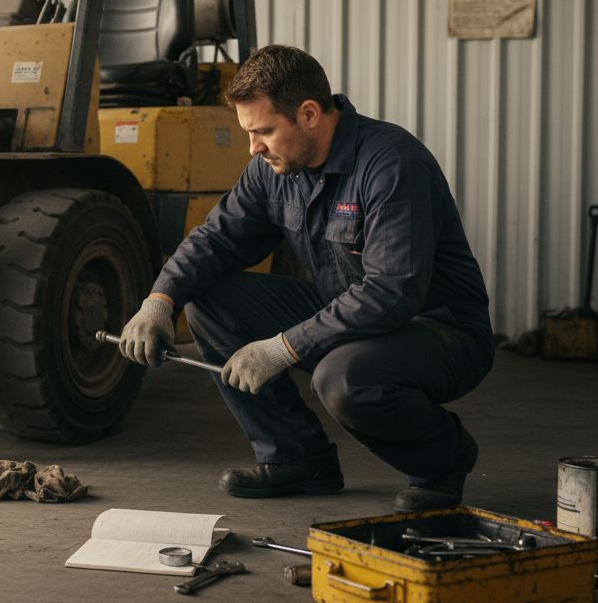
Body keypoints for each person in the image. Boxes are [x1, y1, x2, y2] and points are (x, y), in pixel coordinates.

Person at [118, 45, 495, 512]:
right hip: (348, 314)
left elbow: (392, 291)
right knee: (207, 300)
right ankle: (297, 458)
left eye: (264, 131)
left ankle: (442, 461)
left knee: (343, 378)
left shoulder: (391, 163)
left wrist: (283, 347)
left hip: (439, 329)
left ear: (310, 113)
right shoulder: (273, 168)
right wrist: (159, 301)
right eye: (249, 132)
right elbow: (215, 239)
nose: (253, 147)